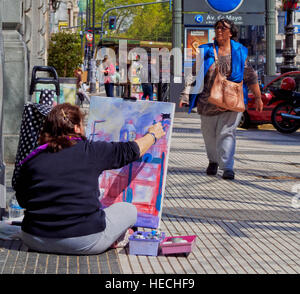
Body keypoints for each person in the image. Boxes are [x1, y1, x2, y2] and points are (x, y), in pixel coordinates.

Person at [15, 103, 165, 255]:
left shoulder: (32, 159)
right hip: (83, 240)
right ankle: (113, 239)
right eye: (82, 124)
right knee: (129, 210)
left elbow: (22, 201)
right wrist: (152, 135)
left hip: (34, 238)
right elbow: (130, 151)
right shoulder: (90, 151)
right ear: (76, 128)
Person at [179, 19, 263, 180]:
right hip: (207, 101)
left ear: (231, 32)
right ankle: (213, 160)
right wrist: (185, 95)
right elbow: (194, 74)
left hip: (232, 100)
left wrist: (258, 97)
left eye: (223, 28)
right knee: (209, 134)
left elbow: (250, 75)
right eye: (217, 27)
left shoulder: (240, 51)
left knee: (227, 133)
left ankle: (227, 167)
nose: (219, 30)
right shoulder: (205, 51)